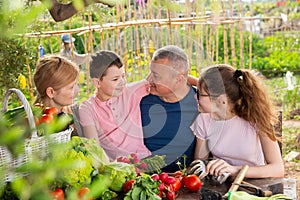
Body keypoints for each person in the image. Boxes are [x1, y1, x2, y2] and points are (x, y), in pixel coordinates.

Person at [190, 64, 284, 178]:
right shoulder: (203, 120)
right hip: (220, 183)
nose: (195, 97)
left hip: (254, 184)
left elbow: (278, 169)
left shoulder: (255, 118)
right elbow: (200, 163)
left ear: (220, 99)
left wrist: (234, 170)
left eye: (200, 93)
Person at [78, 50, 151, 161]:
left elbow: (160, 77)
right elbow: (94, 148)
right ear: (97, 83)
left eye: (123, 76)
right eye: (115, 79)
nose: (122, 82)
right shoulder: (87, 108)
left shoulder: (131, 92)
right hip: (116, 169)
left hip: (144, 161)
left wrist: (187, 78)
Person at [140, 45, 199, 173]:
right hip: (144, 178)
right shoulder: (141, 98)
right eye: (150, 72)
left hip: (184, 181)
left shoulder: (201, 103)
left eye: (156, 75)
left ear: (179, 79)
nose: (148, 79)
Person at [33, 54, 83, 136]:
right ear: (51, 92)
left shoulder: (73, 115)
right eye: (71, 87)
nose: (78, 90)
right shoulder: (36, 126)